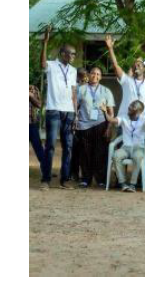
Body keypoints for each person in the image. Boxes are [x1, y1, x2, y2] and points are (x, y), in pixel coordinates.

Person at [39, 26, 78, 190]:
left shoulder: (74, 70)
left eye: (75, 54)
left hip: (69, 112)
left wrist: (75, 114)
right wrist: (45, 44)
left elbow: (74, 93)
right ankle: (45, 180)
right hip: (54, 110)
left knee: (68, 147)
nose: (73, 56)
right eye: (71, 53)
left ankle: (65, 179)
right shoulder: (52, 65)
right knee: (50, 146)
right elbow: (41, 64)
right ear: (63, 54)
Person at [74, 66, 115, 189]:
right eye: (93, 73)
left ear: (101, 77)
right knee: (85, 153)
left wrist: (109, 128)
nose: (95, 76)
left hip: (100, 125)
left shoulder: (106, 91)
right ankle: (86, 179)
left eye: (98, 74)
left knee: (100, 152)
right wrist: (75, 119)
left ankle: (100, 179)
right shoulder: (80, 90)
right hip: (84, 125)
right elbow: (75, 107)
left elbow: (111, 112)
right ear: (88, 75)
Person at [102, 99, 145, 192]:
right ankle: (123, 183)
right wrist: (105, 112)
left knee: (138, 157)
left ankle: (132, 184)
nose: (129, 109)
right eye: (130, 106)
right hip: (126, 147)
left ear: (139, 111)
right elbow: (111, 120)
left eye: (132, 108)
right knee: (116, 156)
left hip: (138, 148)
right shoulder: (124, 117)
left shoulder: (144, 119)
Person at [104, 35, 145, 120]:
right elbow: (115, 65)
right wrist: (110, 48)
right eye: (134, 65)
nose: (136, 67)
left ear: (144, 68)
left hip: (139, 127)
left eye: (139, 65)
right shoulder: (127, 80)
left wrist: (144, 121)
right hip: (124, 122)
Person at [29, 85, 46, 175]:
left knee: (39, 149)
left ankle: (46, 171)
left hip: (31, 124)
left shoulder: (33, 88)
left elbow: (39, 104)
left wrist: (31, 96)